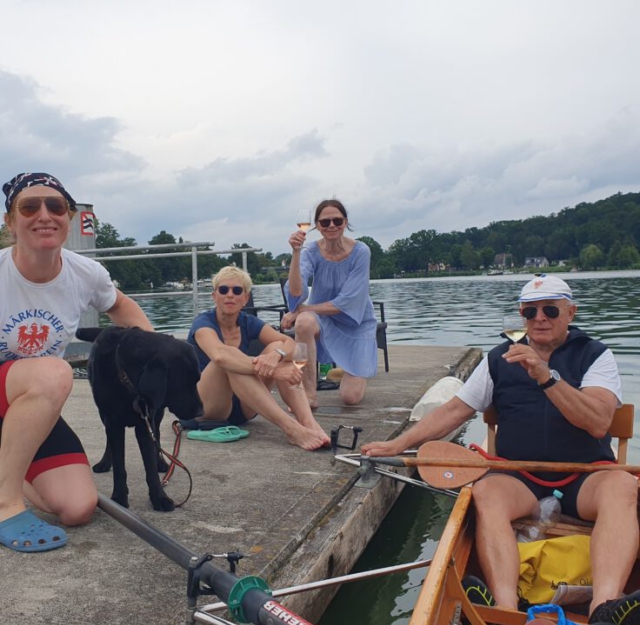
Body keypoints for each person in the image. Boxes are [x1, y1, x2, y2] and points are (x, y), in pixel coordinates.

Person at [362, 275, 640, 625]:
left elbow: (599, 422)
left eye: (550, 309)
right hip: (519, 478)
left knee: (622, 486)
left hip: (584, 477)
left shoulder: (596, 356)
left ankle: (603, 609)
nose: (539, 318)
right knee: (486, 491)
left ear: (571, 312)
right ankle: (507, 614)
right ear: (521, 315)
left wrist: (545, 376)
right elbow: (455, 410)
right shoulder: (498, 359)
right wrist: (399, 444)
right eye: (529, 311)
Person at [0, 171, 153, 553]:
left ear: (68, 217)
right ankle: (5, 504)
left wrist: (152, 351)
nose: (44, 215)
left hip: (27, 405)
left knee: (78, 507)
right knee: (55, 372)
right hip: (22, 385)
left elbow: (121, 306)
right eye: (29, 206)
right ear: (10, 221)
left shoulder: (85, 273)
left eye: (56, 206)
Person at [187, 266, 330, 451]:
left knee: (278, 348)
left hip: (242, 408)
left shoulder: (247, 322)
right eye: (223, 290)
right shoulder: (203, 323)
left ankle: (308, 422)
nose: (230, 295)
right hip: (206, 408)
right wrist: (276, 371)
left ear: (245, 298)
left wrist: (276, 355)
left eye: (237, 290)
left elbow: (291, 344)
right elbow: (220, 355)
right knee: (230, 359)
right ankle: (291, 428)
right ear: (214, 296)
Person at [281, 199, 377, 408]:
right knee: (303, 323)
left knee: (350, 399)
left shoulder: (361, 252)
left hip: (355, 322)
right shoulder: (311, 252)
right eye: (325, 222)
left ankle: (349, 368)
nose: (331, 225)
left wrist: (302, 309)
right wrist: (296, 252)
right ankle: (308, 394)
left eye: (337, 220)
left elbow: (347, 302)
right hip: (322, 319)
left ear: (345, 222)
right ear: (317, 225)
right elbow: (296, 292)